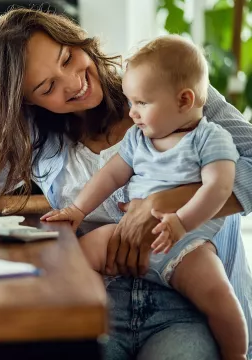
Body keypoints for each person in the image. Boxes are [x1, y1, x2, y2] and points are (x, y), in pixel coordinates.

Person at [0, 8, 252, 359]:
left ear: (74, 39)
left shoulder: (167, 85)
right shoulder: (40, 136)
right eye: (47, 87)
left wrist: (168, 203)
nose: (74, 83)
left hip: (191, 301)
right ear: (25, 104)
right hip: (99, 302)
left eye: (67, 58)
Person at [41, 35, 247, 359]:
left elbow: (218, 189)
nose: (132, 112)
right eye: (130, 102)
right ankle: (92, 319)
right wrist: (78, 209)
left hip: (186, 243)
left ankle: (235, 352)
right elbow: (111, 174)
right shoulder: (138, 138)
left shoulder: (210, 139)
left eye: (142, 103)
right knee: (78, 255)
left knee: (218, 294)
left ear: (183, 101)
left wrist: (179, 221)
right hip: (128, 233)